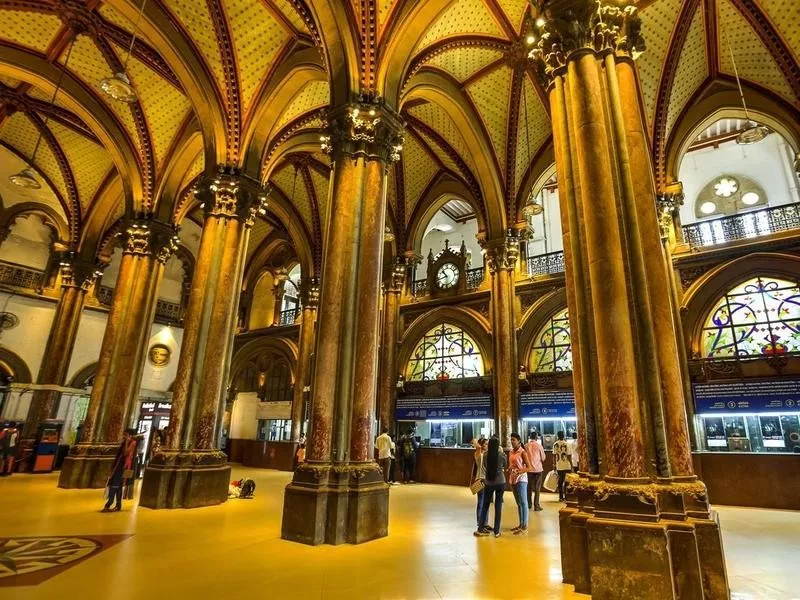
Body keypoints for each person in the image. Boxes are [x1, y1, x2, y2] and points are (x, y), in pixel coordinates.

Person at [103, 428, 143, 512]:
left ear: (130, 435)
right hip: (119, 464)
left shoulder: (132, 442)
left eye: (126, 435)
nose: (124, 436)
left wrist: (127, 443)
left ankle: (109, 503)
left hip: (125, 466)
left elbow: (125, 453)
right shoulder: (126, 442)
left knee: (116, 484)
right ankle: (117, 505)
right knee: (118, 485)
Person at [475, 436, 506, 538]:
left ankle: (480, 528)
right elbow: (505, 465)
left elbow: (484, 465)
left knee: (485, 505)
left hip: (488, 482)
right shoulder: (502, 455)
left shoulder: (486, 455)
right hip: (500, 482)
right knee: (498, 506)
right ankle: (497, 531)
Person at [508, 433, 533, 535]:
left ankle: (525, 526)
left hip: (521, 479)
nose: (512, 441)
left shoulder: (523, 452)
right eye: (511, 440)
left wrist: (519, 471)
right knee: (518, 503)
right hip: (513, 479)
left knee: (523, 502)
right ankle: (520, 524)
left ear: (518, 440)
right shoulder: (511, 452)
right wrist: (509, 469)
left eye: (513, 440)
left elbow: (529, 467)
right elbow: (511, 465)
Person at [471, 437, 489, 533]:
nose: (487, 446)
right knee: (481, 502)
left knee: (486, 503)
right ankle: (480, 522)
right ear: (481, 445)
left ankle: (485, 522)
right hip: (480, 480)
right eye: (486, 444)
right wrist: (479, 445)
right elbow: (474, 442)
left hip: (487, 480)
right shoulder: (478, 454)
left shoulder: (487, 454)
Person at [525, 431, 547, 511]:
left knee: (528, 487)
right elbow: (543, 458)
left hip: (528, 469)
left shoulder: (526, 446)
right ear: (537, 437)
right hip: (538, 469)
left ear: (530, 437)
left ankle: (528, 504)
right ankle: (536, 505)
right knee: (537, 488)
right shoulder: (539, 446)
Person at [552, 431, 572, 502]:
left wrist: (554, 465)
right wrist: (572, 465)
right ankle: (567, 497)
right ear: (564, 436)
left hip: (559, 466)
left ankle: (561, 497)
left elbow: (554, 456)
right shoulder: (567, 444)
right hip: (567, 466)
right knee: (567, 482)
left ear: (557, 436)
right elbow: (569, 456)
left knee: (560, 482)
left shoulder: (555, 444)